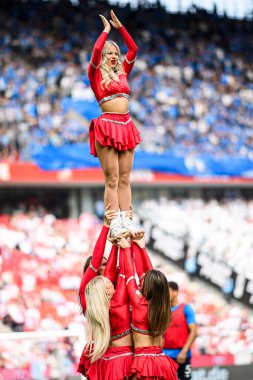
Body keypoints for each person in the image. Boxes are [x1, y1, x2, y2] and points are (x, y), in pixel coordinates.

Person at [88, 10, 142, 238]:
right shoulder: (95, 75)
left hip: (126, 125)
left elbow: (134, 49)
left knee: (125, 177)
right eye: (109, 53)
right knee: (111, 178)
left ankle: (127, 219)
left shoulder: (123, 74)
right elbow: (96, 51)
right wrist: (106, 31)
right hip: (107, 126)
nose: (112, 55)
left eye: (115, 52)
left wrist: (121, 28)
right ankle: (114, 221)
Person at [119, 237, 178, 380]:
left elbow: (129, 275)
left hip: (143, 362)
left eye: (144, 280)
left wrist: (127, 249)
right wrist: (141, 247)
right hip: (162, 362)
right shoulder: (165, 309)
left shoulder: (139, 305)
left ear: (148, 287)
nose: (141, 279)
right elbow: (154, 278)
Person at [84, 245, 133, 380]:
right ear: (106, 290)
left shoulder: (94, 305)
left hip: (103, 359)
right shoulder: (117, 305)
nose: (109, 279)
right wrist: (126, 248)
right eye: (108, 282)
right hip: (122, 360)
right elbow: (126, 274)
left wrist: (115, 246)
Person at [77, 205, 116, 376]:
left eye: (106, 264)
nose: (104, 267)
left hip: (119, 353)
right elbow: (97, 256)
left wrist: (118, 242)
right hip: (99, 353)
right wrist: (107, 226)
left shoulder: (113, 290)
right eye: (100, 265)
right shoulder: (86, 293)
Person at [163, 282, 197, 380]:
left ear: (175, 292)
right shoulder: (163, 311)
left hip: (184, 355)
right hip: (166, 355)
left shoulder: (186, 308)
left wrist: (184, 351)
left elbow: (194, 331)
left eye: (167, 291)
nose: (165, 294)